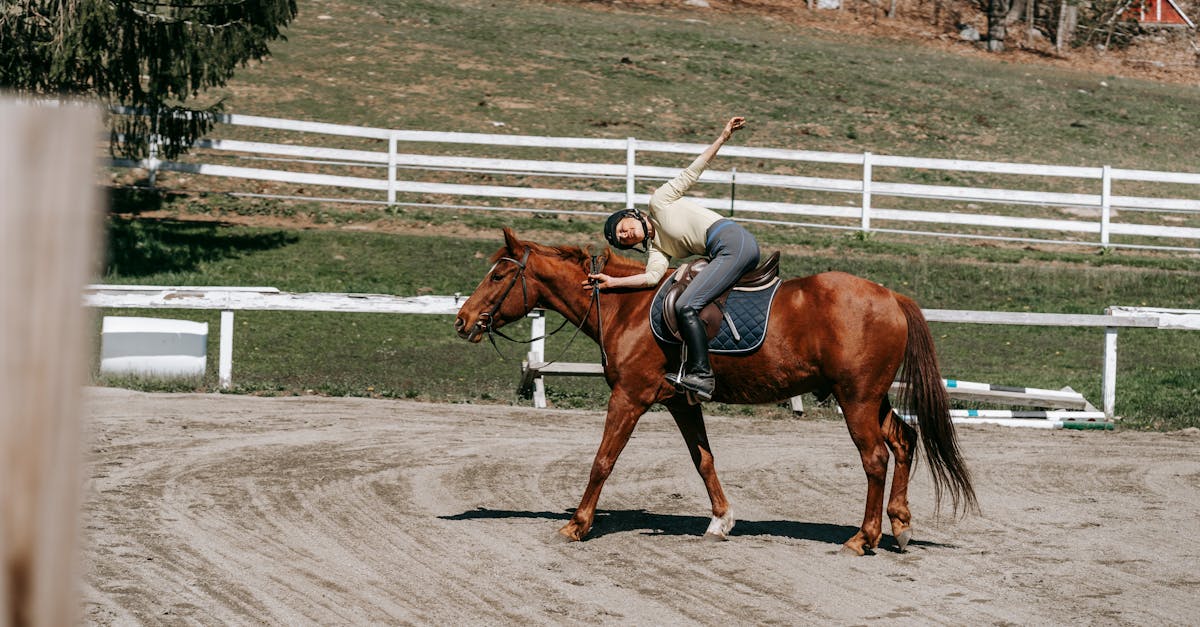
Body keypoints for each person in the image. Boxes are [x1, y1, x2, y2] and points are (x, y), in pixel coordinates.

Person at [583, 116, 760, 401]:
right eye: (622, 239)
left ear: (634, 215)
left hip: (730, 241)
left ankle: (701, 374)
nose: (626, 234)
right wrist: (613, 281)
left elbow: (692, 172)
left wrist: (722, 137)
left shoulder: (659, 202)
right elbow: (652, 277)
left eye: (623, 227)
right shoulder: (659, 249)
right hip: (723, 251)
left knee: (687, 304)